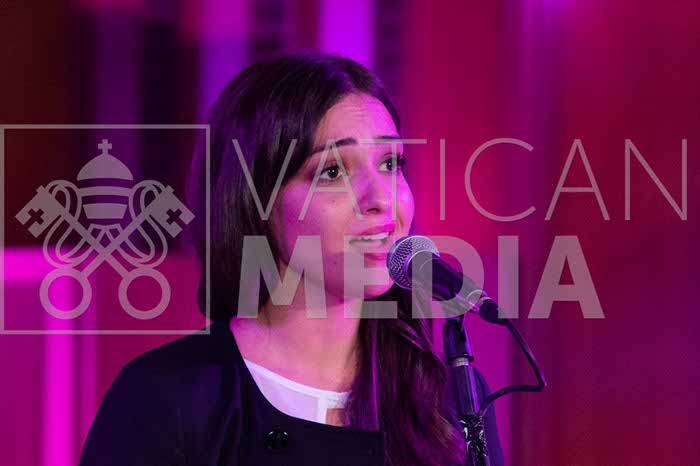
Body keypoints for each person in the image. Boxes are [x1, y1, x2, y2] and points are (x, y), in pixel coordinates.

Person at [78, 53, 503, 466]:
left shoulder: (448, 403)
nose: (381, 198)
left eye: (391, 163)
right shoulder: (168, 398)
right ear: (256, 200)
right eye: (332, 171)